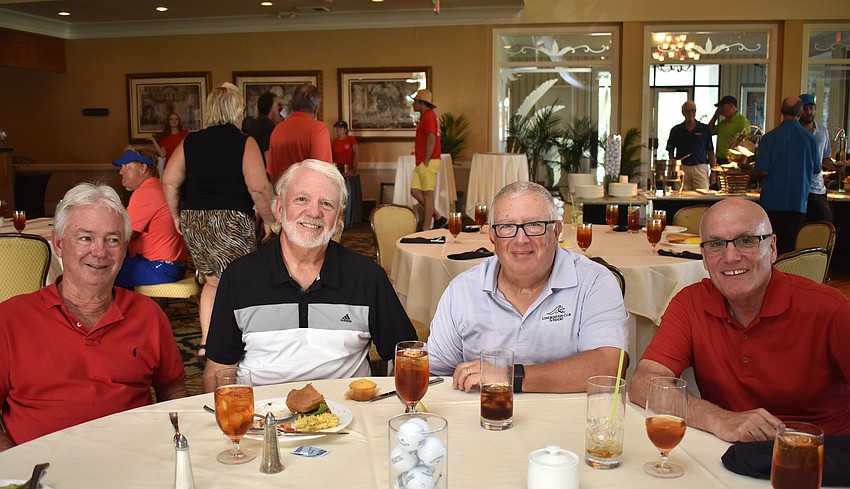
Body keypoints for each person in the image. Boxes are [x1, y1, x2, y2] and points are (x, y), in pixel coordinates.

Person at [630, 198, 849, 442]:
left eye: (746, 241)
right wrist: (718, 418)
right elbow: (644, 383)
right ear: (704, 257)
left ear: (772, 248)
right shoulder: (690, 303)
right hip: (731, 452)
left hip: (822, 454)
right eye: (716, 244)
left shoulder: (831, 309)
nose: (731, 256)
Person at [0, 182, 188, 450]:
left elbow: (174, 391)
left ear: (124, 249)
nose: (100, 252)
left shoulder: (148, 315)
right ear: (59, 244)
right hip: (40, 469)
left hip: (132, 461)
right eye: (85, 238)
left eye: (112, 240)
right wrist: (13, 465)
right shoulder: (10, 319)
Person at [201, 160, 417, 390]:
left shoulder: (367, 277)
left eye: (326, 204)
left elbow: (409, 355)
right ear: (280, 209)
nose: (314, 212)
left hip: (348, 408)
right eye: (302, 199)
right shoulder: (239, 278)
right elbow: (217, 370)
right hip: (263, 409)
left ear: (339, 219)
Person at [428, 181, 629, 393]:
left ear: (556, 231)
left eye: (534, 225)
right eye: (507, 226)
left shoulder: (594, 282)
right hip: (487, 412)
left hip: (572, 414)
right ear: (492, 237)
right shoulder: (462, 290)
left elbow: (610, 368)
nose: (520, 239)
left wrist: (509, 375)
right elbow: (435, 373)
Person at [162, 82, 277, 366]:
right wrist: (270, 221)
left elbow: (170, 181)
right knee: (241, 282)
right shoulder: (244, 142)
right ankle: (240, 342)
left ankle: (206, 343)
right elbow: (259, 188)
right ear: (236, 110)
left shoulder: (190, 141)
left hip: (195, 220)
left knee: (212, 283)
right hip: (231, 221)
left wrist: (176, 215)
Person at [112, 147, 188, 288]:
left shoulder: (146, 192)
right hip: (175, 266)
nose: (121, 171)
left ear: (143, 168)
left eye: (127, 167)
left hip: (159, 267)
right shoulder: (158, 188)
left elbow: (126, 234)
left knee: (98, 271)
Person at [753, 96, 819, 254]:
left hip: (772, 202)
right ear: (800, 112)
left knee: (771, 247)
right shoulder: (810, 139)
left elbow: (762, 170)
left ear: (781, 111)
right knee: (791, 249)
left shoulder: (769, 138)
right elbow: (816, 169)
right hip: (798, 202)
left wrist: (751, 172)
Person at [267, 84, 332, 182]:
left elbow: (272, 174)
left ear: (293, 104)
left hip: (282, 189)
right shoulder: (318, 129)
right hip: (308, 189)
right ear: (317, 107)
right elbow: (323, 173)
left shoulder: (278, 129)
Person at [411, 89, 446, 230]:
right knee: (415, 191)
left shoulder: (429, 116)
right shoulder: (426, 117)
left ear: (421, 103)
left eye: (415, 101)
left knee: (428, 195)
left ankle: (426, 228)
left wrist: (426, 160)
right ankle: (437, 217)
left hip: (428, 161)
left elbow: (431, 139)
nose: (413, 104)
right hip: (422, 161)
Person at [799, 93, 835, 223]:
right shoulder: (794, 131)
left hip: (817, 188)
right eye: (805, 108)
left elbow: (825, 159)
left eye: (811, 108)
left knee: (824, 223)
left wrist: (837, 166)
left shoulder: (822, 131)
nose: (809, 112)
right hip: (798, 188)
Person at [666, 100, 716, 190]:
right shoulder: (676, 130)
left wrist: (713, 171)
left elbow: (710, 151)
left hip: (700, 167)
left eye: (693, 110)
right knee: (681, 194)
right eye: (687, 111)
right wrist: (674, 168)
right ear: (683, 113)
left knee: (703, 193)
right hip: (682, 167)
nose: (690, 113)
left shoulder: (704, 129)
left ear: (695, 112)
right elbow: (670, 151)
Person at [708, 95, 750, 166]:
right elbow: (709, 132)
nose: (720, 110)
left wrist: (742, 163)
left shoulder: (742, 121)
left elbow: (747, 143)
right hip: (720, 160)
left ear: (731, 106)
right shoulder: (723, 123)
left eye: (722, 107)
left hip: (734, 161)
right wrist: (715, 117)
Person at [247, 91, 282, 164]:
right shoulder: (268, 125)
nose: (278, 107)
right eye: (276, 105)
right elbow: (267, 154)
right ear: (270, 108)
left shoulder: (255, 123)